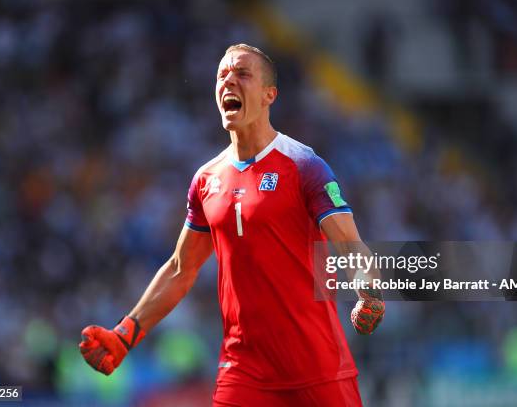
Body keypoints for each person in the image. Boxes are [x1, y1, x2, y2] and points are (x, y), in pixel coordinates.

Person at [79, 43, 384, 406]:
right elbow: (181, 267)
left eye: (242, 74)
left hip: (317, 368)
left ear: (270, 94)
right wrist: (126, 332)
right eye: (222, 75)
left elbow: (349, 244)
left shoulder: (303, 166)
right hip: (244, 372)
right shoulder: (206, 180)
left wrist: (368, 290)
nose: (228, 82)